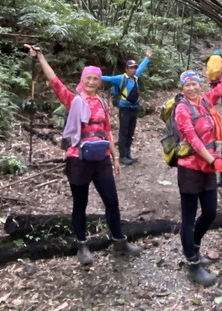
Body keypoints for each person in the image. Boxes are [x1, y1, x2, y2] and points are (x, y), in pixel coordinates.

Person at [23, 44, 141, 265]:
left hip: (102, 158)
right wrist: (40, 57)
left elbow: (107, 131)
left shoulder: (103, 103)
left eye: (95, 79)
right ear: (83, 79)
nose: (91, 82)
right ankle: (82, 245)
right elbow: (55, 81)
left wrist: (115, 157)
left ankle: (119, 242)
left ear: (99, 81)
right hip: (78, 158)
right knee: (80, 204)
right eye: (88, 78)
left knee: (112, 201)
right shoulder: (74, 100)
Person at [175, 62, 222, 286]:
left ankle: (195, 247)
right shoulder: (182, 108)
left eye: (194, 84)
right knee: (188, 217)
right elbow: (192, 138)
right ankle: (192, 264)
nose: (192, 88)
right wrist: (213, 160)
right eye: (187, 85)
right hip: (189, 168)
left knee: (209, 212)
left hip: (207, 168)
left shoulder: (205, 101)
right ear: (182, 88)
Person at [102, 50, 152, 165]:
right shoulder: (121, 78)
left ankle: (128, 154)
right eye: (131, 68)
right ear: (126, 69)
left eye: (134, 68)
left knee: (130, 132)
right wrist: (92, 74)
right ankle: (123, 156)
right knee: (124, 132)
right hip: (124, 109)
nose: (133, 70)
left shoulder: (135, 77)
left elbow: (141, 68)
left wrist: (147, 58)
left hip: (134, 108)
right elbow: (108, 78)